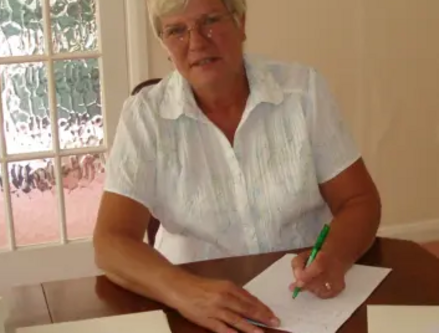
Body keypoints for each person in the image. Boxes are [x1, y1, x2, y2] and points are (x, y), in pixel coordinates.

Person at [93, 0, 382, 332]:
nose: (197, 42)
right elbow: (111, 242)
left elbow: (359, 201)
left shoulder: (302, 91)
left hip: (305, 301)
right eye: (176, 30)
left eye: (210, 21)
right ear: (164, 45)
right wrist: (185, 292)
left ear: (240, 22)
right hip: (195, 308)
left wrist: (334, 256)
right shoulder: (145, 116)